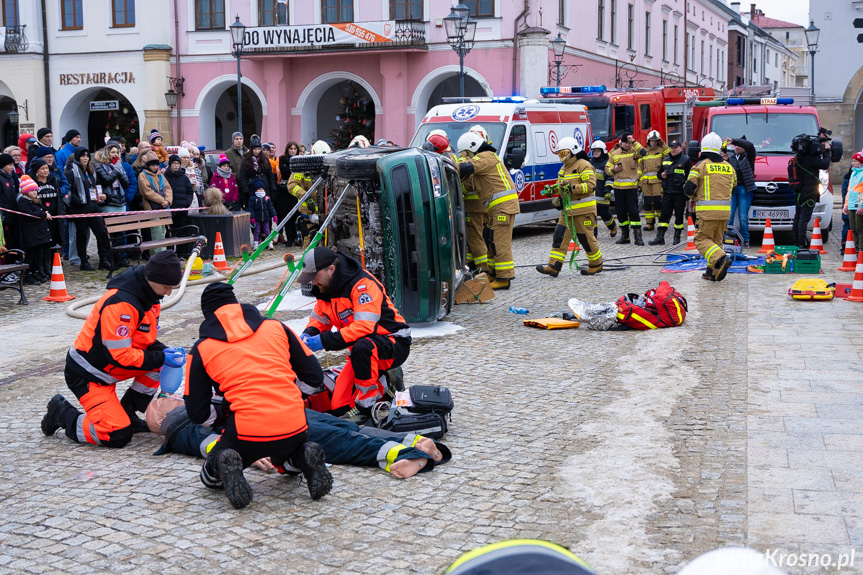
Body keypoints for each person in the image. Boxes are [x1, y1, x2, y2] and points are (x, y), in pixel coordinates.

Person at [185, 282, 333, 509]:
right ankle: (304, 456)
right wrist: (293, 395)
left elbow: (197, 412)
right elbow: (314, 376)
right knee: (291, 460)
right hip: (294, 425)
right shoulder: (277, 327)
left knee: (211, 477)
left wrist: (225, 413)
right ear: (237, 304)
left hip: (245, 432)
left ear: (208, 315)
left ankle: (223, 461)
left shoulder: (202, 348)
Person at [41, 251, 186, 448]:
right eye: (166, 287)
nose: (169, 293)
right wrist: (160, 357)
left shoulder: (150, 297)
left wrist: (165, 352)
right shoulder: (120, 305)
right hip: (89, 375)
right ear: (151, 279)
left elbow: (142, 340)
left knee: (160, 364)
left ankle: (127, 411)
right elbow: (120, 355)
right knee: (116, 435)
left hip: (109, 367)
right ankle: (63, 414)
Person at [148, 395, 450, 479]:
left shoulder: (179, 422)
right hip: (284, 409)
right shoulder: (194, 405)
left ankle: (407, 454)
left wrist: (245, 455)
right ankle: (413, 441)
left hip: (266, 427)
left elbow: (207, 444)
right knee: (346, 429)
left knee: (344, 441)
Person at [299, 247, 412, 422]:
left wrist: (323, 341)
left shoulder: (362, 285)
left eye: (314, 276)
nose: (312, 282)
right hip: (363, 352)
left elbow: (363, 327)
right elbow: (319, 320)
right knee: (339, 407)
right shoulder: (324, 290)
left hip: (394, 342)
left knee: (363, 347)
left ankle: (366, 407)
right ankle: (386, 379)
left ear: (331, 269)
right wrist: (308, 335)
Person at [456, 129, 521, 290]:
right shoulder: (482, 161)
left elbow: (467, 167)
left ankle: (504, 278)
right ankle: (492, 273)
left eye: (466, 153)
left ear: (471, 148)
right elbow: (469, 184)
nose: (466, 156)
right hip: (495, 208)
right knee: (490, 239)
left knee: (500, 242)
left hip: (503, 207)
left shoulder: (486, 157)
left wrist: (450, 164)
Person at [536, 136, 602, 277]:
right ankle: (554, 265)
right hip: (568, 211)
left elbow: (590, 186)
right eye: (560, 153)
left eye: (564, 153)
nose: (562, 156)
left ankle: (596, 264)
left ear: (572, 151)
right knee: (559, 236)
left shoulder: (584, 165)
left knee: (586, 238)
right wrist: (553, 190)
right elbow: (561, 187)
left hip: (584, 210)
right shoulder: (564, 169)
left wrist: (571, 188)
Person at [684, 133, 735, 282]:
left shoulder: (700, 166)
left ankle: (721, 258)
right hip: (725, 213)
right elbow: (733, 187)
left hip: (706, 213)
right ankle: (712, 272)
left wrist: (694, 197)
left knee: (701, 240)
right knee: (715, 241)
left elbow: (688, 189)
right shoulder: (729, 167)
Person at [65, 147, 112, 271]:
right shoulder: (71, 172)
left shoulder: (91, 172)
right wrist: (80, 201)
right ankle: (83, 261)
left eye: (87, 156)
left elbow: (96, 187)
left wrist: (101, 196)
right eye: (82, 156)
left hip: (94, 207)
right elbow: (69, 192)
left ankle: (103, 259)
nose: (85, 158)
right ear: (77, 157)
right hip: (80, 209)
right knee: (82, 236)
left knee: (101, 233)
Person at [791, 133, 832, 249]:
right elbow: (825, 164)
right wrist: (826, 152)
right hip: (809, 192)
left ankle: (796, 241)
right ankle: (802, 242)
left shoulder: (798, 157)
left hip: (799, 192)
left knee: (798, 217)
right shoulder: (811, 159)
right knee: (804, 218)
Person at [288, 140, 330, 248]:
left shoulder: (330, 167)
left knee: (329, 241)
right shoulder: (304, 166)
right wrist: (306, 197)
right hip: (308, 211)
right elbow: (292, 185)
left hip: (326, 211)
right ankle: (307, 262)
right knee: (310, 239)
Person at [649, 140, 692, 246]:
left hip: (679, 194)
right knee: (664, 216)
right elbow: (659, 175)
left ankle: (677, 238)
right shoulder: (666, 160)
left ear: (680, 148)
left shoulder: (686, 160)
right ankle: (660, 237)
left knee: (678, 216)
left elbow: (690, 178)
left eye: (675, 147)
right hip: (667, 192)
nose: (673, 150)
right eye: (672, 147)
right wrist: (662, 176)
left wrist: (687, 194)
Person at [607, 133, 646, 245]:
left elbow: (645, 153)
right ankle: (625, 236)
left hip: (631, 188)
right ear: (621, 142)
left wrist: (634, 141)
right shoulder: (614, 153)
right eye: (626, 143)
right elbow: (607, 168)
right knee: (620, 212)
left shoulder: (635, 151)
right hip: (618, 189)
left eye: (629, 143)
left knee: (634, 212)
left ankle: (638, 237)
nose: (628, 145)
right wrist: (614, 169)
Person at [16, 175, 52, 284]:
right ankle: (28, 274)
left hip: (39, 233)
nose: (35, 193)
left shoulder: (35, 201)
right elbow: (29, 214)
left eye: (36, 190)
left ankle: (36, 271)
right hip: (31, 233)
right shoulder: (23, 201)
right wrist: (43, 214)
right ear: (26, 191)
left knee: (38, 254)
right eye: (32, 191)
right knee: (31, 255)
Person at [723, 137, 757, 247]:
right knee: (730, 215)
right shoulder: (731, 158)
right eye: (735, 145)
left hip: (745, 189)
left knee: (743, 216)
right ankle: (728, 238)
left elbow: (750, 145)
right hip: (733, 189)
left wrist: (733, 140)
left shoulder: (749, 156)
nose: (736, 147)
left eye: (739, 145)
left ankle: (745, 239)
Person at [27, 158, 63, 254]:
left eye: (47, 168)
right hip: (41, 216)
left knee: (55, 239)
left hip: (54, 215)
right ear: (36, 171)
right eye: (42, 169)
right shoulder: (33, 183)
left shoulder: (53, 180)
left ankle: (53, 264)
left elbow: (58, 197)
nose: (46, 170)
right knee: (44, 242)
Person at [138, 156, 173, 252]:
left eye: (156, 165)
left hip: (163, 207)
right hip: (152, 207)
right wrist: (162, 200)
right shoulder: (143, 175)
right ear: (148, 165)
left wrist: (168, 201)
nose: (155, 167)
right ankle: (157, 254)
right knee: (156, 231)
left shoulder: (160, 175)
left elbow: (168, 188)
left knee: (162, 231)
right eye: (153, 165)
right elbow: (147, 192)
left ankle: (161, 252)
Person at [638, 130, 670, 231]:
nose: (653, 143)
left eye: (655, 141)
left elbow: (669, 154)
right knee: (647, 204)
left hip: (657, 182)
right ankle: (649, 224)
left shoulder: (661, 151)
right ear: (648, 141)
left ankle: (662, 222)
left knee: (658, 203)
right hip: (646, 183)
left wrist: (663, 143)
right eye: (651, 141)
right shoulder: (643, 152)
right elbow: (640, 167)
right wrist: (639, 181)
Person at [588, 140, 618, 238]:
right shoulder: (589, 163)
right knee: (592, 215)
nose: (595, 153)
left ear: (603, 152)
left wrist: (607, 191)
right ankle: (594, 234)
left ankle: (612, 226)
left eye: (598, 151)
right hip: (591, 194)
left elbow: (609, 178)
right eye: (594, 151)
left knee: (605, 214)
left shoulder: (606, 164)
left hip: (602, 194)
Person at [238, 135, 276, 210]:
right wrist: (246, 191)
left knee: (266, 210)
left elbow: (270, 175)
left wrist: (273, 189)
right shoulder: (246, 161)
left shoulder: (265, 160)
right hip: (251, 189)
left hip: (265, 188)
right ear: (251, 149)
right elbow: (243, 176)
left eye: (258, 149)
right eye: (255, 149)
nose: (257, 151)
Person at [276, 141, 301, 246]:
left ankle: (297, 238)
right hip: (285, 192)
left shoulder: (300, 159)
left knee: (297, 215)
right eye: (291, 149)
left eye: (295, 149)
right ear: (287, 150)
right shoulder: (282, 159)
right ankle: (290, 237)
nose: (293, 151)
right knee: (287, 216)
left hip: (297, 191)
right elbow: (285, 170)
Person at [248, 178, 277, 250]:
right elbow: (251, 208)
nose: (261, 191)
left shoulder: (267, 198)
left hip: (266, 218)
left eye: (262, 189)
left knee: (267, 231)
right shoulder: (253, 199)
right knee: (257, 231)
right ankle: (256, 244)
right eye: (259, 189)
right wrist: (252, 217)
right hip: (257, 218)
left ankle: (270, 243)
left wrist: (274, 215)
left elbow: (270, 207)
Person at [843, 151, 863, 254]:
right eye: (852, 161)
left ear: (861, 162)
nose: (852, 163)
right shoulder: (853, 173)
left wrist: (862, 206)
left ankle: (861, 250)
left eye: (855, 161)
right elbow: (849, 191)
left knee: (860, 229)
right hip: (851, 205)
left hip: (859, 206)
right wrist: (846, 205)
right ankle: (856, 249)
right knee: (853, 228)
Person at [0, 153, 19, 250]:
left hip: (13, 214)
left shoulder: (11, 177)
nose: (12, 167)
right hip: (5, 216)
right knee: (8, 241)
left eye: (13, 165)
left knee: (15, 239)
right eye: (9, 165)